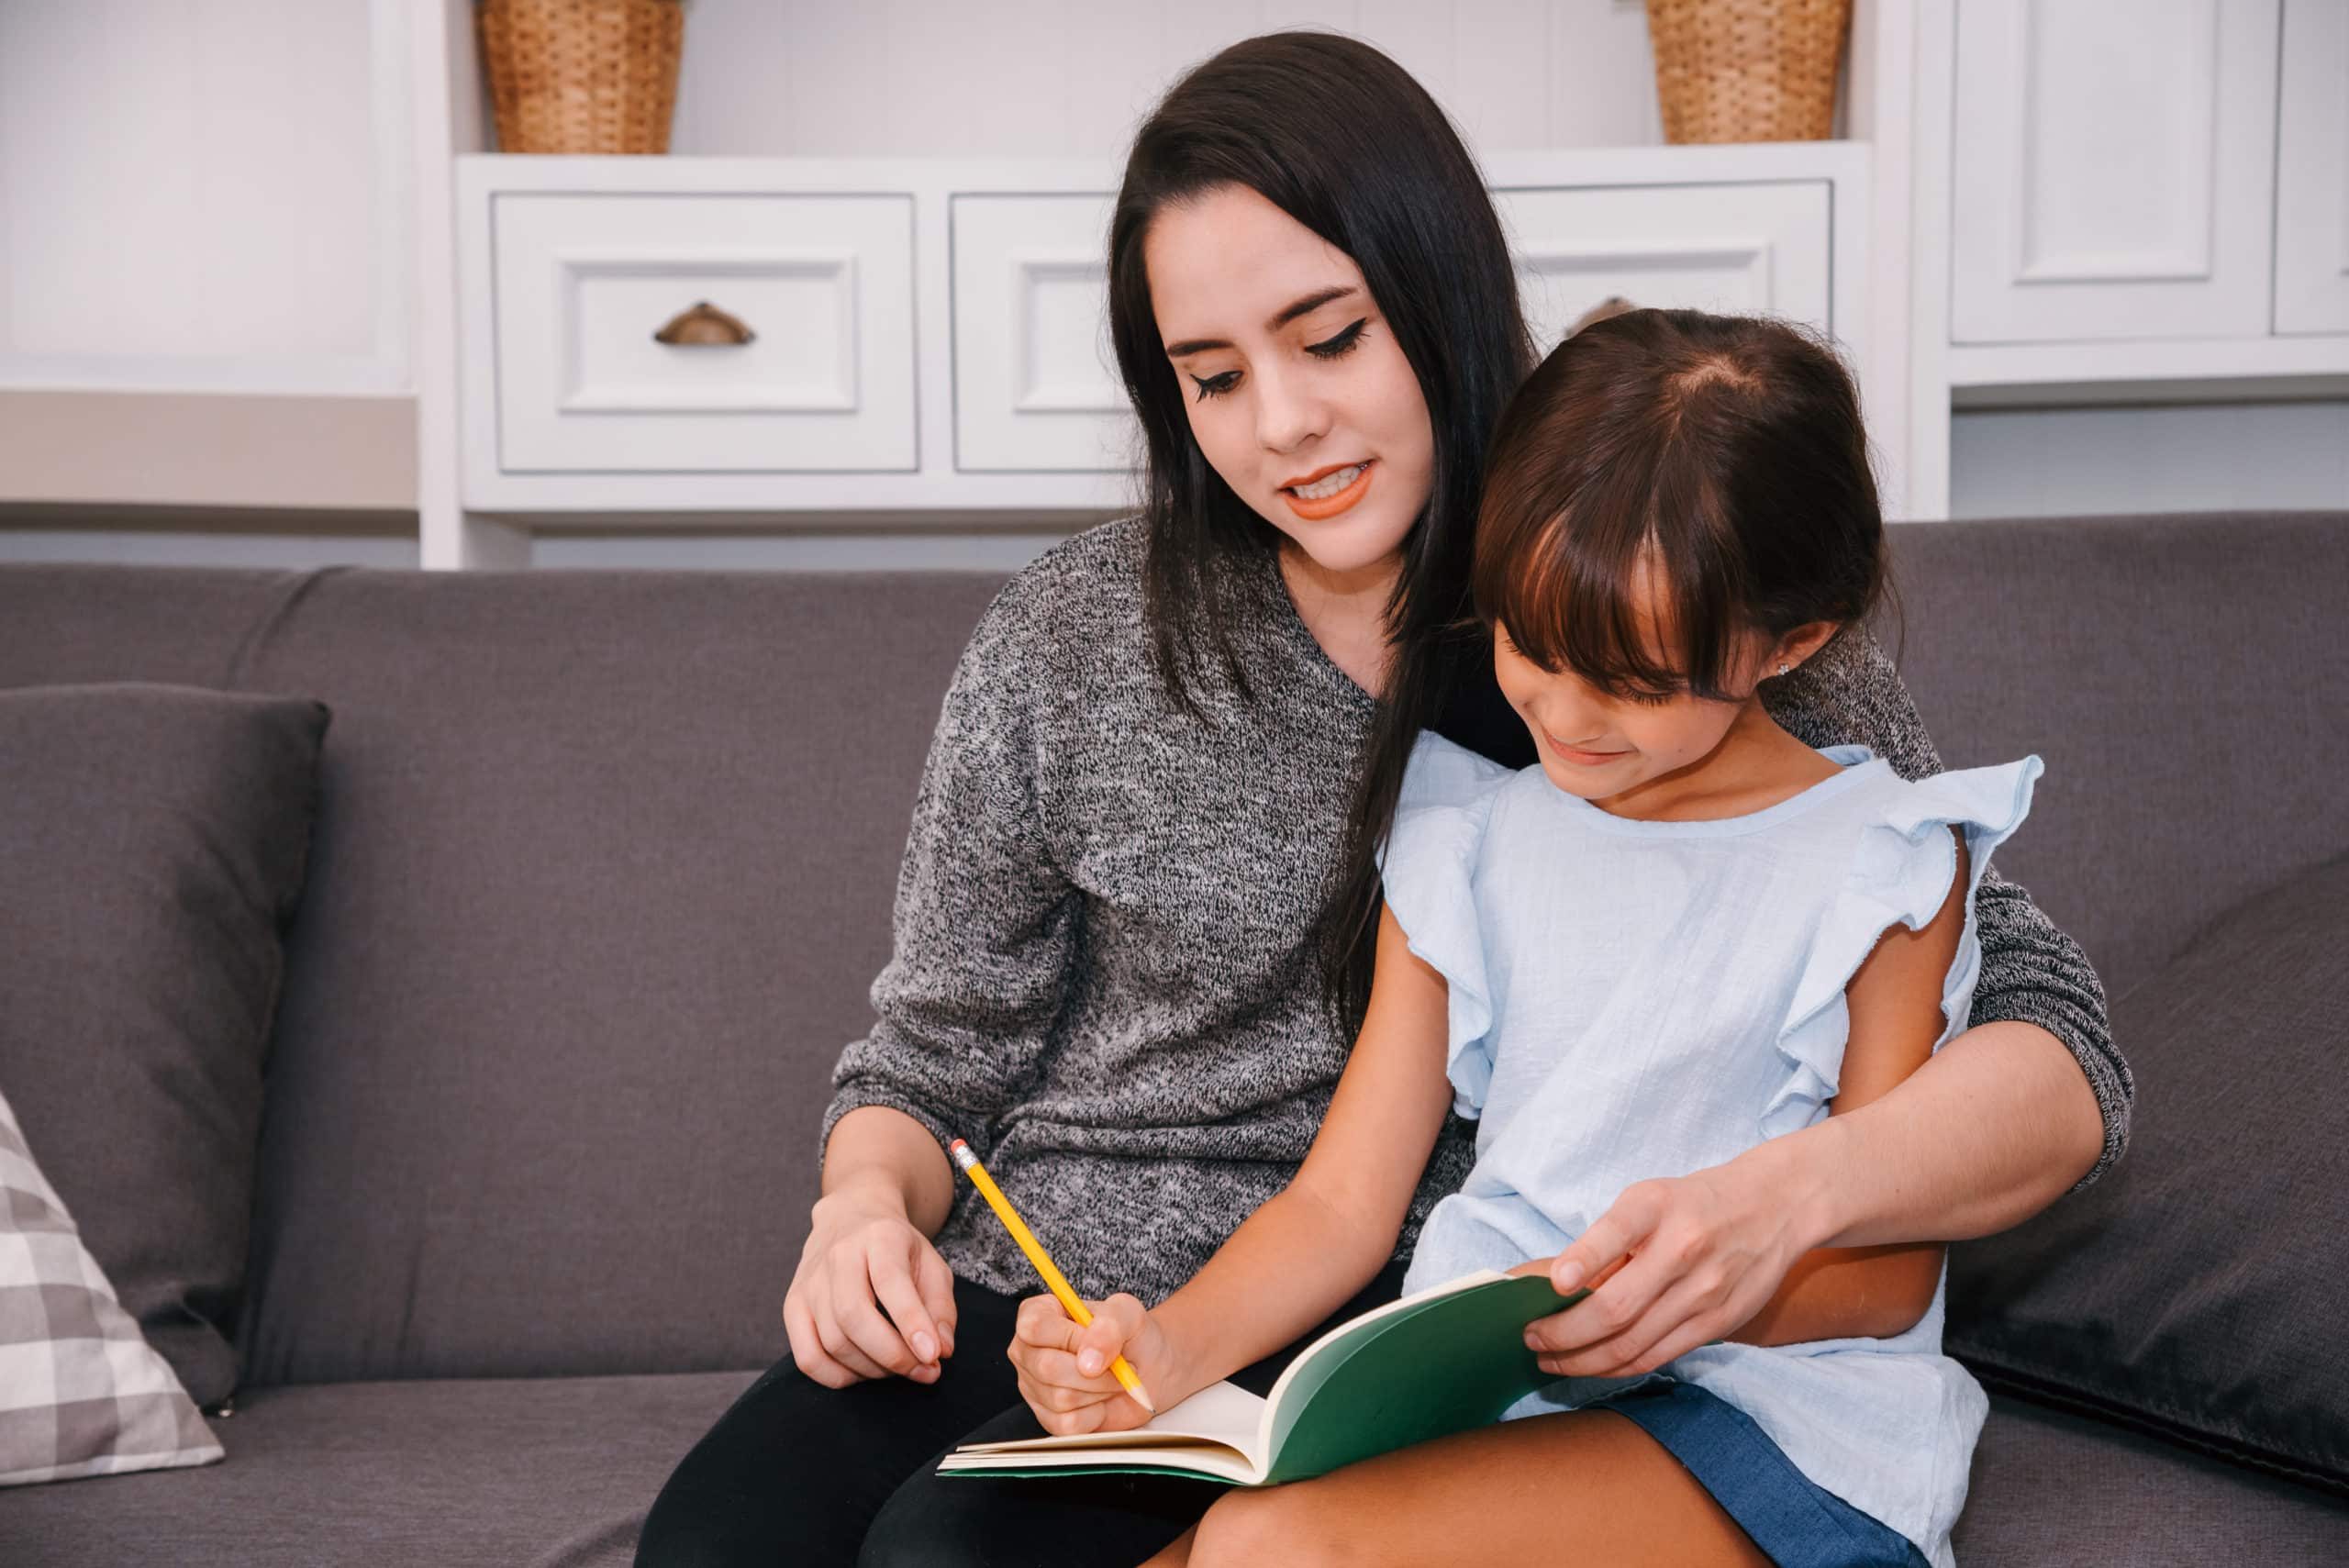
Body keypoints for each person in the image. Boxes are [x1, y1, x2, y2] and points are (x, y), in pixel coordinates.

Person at [634, 34, 2128, 1568]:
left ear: (1435, 296)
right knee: (711, 1553)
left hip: (1386, 1342)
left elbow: (2045, 1042)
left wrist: (1783, 1204)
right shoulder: (1067, 641)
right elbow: (930, 1060)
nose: (1280, 425)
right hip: (1068, 1307)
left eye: (1329, 338)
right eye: (1212, 376)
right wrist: (858, 1210)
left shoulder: (1683, 594)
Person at [938, 306, 2017, 1568]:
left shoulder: (1884, 859)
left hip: (1773, 1420)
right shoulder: (1467, 837)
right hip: (1497, 1402)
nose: (1563, 712)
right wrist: (1163, 1349)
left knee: (1271, 1551)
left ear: (1795, 641)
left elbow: (1886, 1278)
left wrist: (1665, 1301)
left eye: (1633, 679)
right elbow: (1344, 1203)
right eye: (1528, 641)